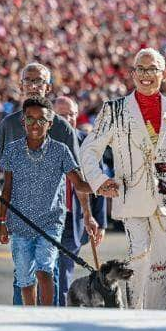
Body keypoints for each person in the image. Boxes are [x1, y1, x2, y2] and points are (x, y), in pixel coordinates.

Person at [79, 47, 166, 310]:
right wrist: (99, 181)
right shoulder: (114, 110)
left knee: (161, 263)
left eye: (152, 69)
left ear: (163, 74)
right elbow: (89, 149)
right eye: (140, 69)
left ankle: (156, 319)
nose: (146, 75)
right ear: (132, 74)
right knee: (138, 255)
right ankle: (134, 315)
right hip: (130, 195)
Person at [0, 62, 95, 305]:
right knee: (22, 278)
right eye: (28, 81)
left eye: (38, 81)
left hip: (50, 217)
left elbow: (78, 177)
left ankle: (48, 325)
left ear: (48, 87)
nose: (33, 86)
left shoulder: (62, 129)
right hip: (18, 219)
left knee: (48, 271)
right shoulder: (9, 124)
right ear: (20, 86)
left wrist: (88, 215)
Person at [54, 95, 108, 307]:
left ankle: (58, 314)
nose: (67, 119)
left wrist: (101, 222)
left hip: (72, 218)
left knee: (63, 270)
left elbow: (99, 183)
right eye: (62, 115)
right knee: (43, 270)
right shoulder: (40, 140)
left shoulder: (87, 143)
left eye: (71, 114)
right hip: (45, 216)